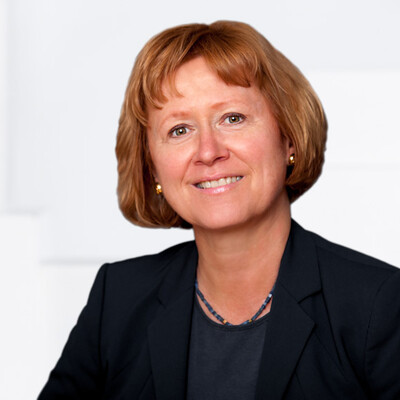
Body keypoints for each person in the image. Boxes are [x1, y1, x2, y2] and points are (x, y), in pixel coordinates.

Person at [38, 21, 400, 399]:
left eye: (233, 118)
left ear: (289, 138)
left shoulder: (378, 305)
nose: (208, 152)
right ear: (152, 167)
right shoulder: (118, 301)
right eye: (180, 130)